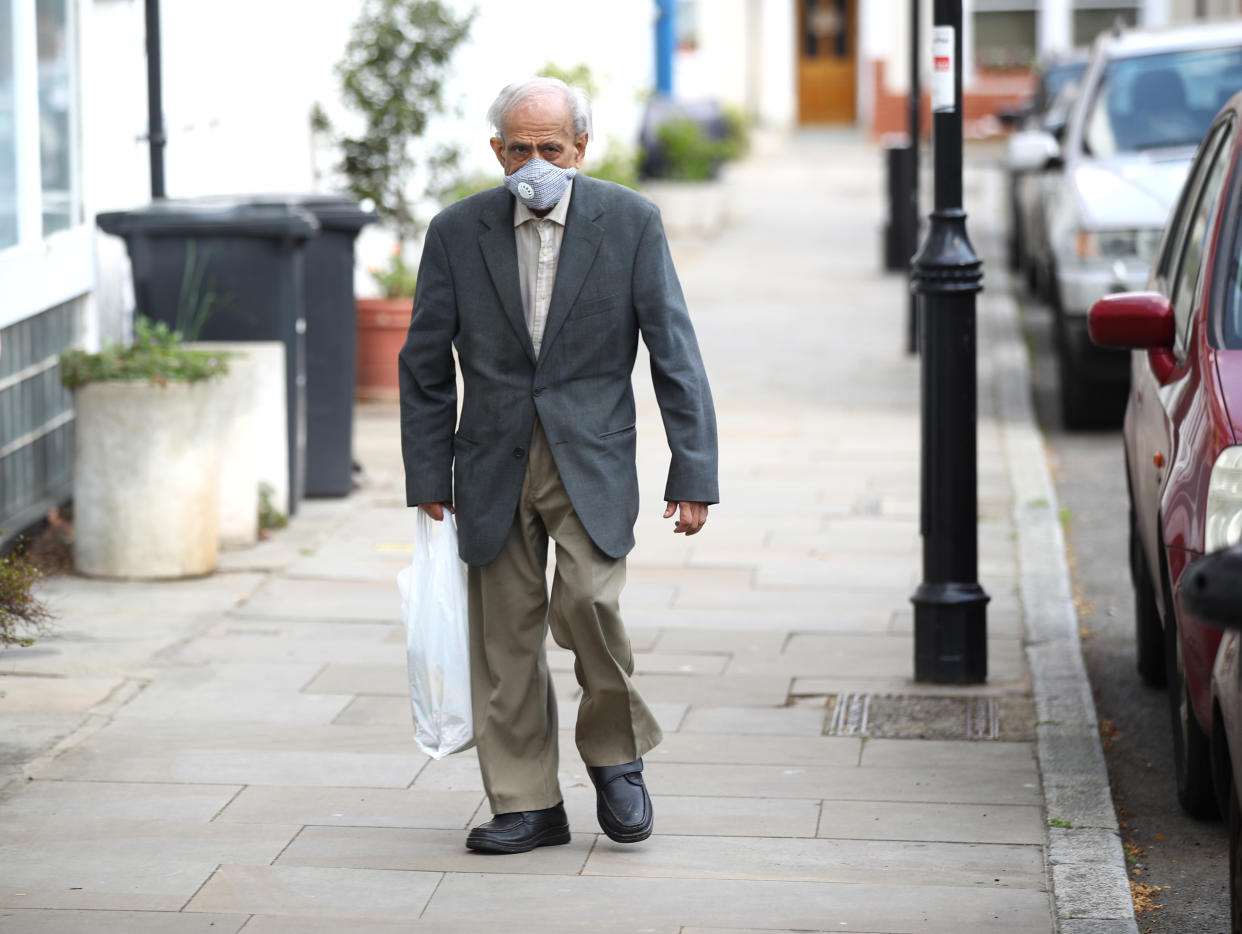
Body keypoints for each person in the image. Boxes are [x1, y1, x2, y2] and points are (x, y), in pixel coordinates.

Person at [398, 76, 718, 854]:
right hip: (489, 460)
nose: (535, 163)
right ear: (496, 150)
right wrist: (427, 475)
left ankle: (616, 754)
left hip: (593, 457)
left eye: (551, 148)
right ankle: (527, 803)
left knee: (590, 610)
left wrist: (693, 471)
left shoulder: (631, 222)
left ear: (581, 147)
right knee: (504, 642)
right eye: (519, 149)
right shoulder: (456, 229)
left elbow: (672, 348)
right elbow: (424, 362)